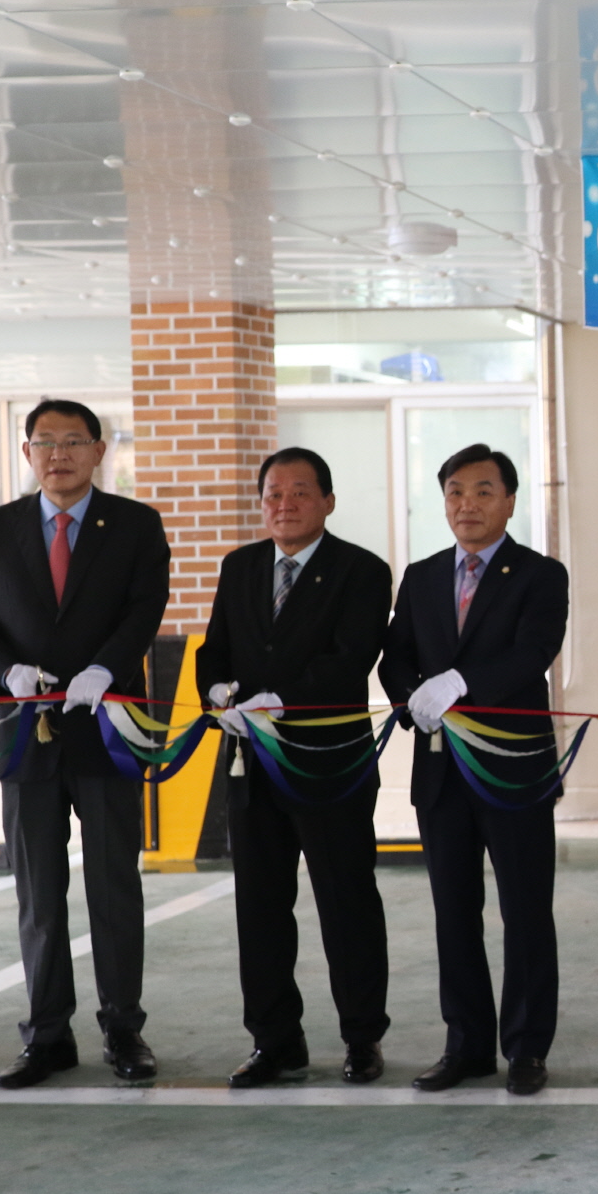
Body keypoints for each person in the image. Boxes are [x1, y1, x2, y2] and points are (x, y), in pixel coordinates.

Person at [0, 399, 170, 1089]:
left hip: (106, 730)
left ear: (99, 451)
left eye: (73, 440)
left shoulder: (134, 525)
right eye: (45, 442)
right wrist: (4, 672)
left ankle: (123, 1029)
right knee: (39, 893)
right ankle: (47, 1035)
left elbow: (145, 606)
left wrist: (107, 668)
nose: (59, 454)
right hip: (28, 737)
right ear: (28, 454)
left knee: (113, 886)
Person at [194, 447, 393, 1088]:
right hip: (250, 766)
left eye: (301, 492)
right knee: (259, 907)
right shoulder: (240, 566)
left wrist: (280, 701)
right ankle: (275, 1042)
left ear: (328, 501)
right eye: (274, 494)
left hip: (329, 765)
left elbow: (351, 656)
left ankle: (362, 1037)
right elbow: (214, 649)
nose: (286, 504)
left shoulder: (362, 570)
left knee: (346, 900)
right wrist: (217, 694)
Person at [380, 444, 569, 1096]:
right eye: (456, 491)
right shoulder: (423, 575)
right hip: (440, 773)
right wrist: (413, 697)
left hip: (513, 771)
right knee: (454, 912)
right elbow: (395, 656)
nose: (468, 504)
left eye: (484, 491)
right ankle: (466, 1045)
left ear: (509, 501)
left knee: (525, 910)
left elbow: (533, 653)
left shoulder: (540, 575)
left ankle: (526, 1047)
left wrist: (460, 682)